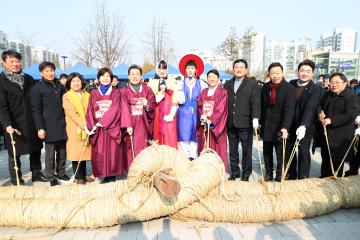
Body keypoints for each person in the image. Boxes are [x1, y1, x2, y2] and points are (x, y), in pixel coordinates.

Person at [0, 50, 46, 185]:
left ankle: (36, 174)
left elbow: (36, 100)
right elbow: (1, 107)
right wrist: (6, 124)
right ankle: (16, 179)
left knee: (36, 149)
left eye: (18, 61)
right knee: (14, 153)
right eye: (11, 61)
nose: (15, 64)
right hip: (13, 123)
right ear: (4, 63)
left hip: (31, 120)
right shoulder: (1, 81)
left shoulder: (28, 78)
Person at [86, 67, 131, 184]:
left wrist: (102, 122)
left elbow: (116, 109)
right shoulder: (94, 93)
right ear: (99, 78)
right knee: (99, 152)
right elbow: (89, 111)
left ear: (111, 79)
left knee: (113, 152)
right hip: (98, 129)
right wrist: (92, 126)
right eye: (103, 76)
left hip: (112, 127)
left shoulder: (116, 93)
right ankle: (101, 173)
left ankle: (111, 174)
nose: (105, 79)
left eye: (108, 77)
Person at [30, 61, 68, 186]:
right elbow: (36, 110)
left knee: (62, 151)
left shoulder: (60, 86)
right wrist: (40, 128)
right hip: (48, 125)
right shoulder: (37, 88)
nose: (50, 73)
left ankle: (61, 173)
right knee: (50, 153)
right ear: (41, 73)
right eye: (47, 71)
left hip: (62, 124)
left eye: (51, 70)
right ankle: (51, 176)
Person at [224, 59, 261, 181]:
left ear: (246, 70)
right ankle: (235, 172)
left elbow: (256, 102)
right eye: (236, 67)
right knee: (233, 150)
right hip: (231, 122)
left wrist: (256, 118)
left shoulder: (252, 83)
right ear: (233, 69)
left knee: (246, 151)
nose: (239, 69)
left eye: (241, 67)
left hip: (245, 122)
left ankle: (246, 172)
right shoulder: (228, 83)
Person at [317, 73, 358, 178]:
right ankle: (324, 181)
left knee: (336, 163)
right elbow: (318, 105)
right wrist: (320, 113)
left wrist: (332, 120)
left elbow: (351, 114)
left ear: (345, 83)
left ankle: (335, 185)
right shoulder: (327, 94)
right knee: (326, 160)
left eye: (337, 82)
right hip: (326, 134)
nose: (334, 85)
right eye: (332, 82)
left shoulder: (351, 97)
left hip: (340, 135)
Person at [286, 60, 322, 180]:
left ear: (312, 73)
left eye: (308, 71)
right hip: (290, 124)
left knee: (303, 151)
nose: (304, 73)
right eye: (302, 70)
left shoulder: (315, 89)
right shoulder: (291, 84)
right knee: (289, 150)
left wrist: (304, 125)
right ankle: (291, 174)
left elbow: (310, 108)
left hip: (305, 126)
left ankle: (303, 177)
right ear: (298, 71)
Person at [260, 62, 295, 182]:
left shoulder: (289, 88)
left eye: (278, 73)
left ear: (282, 73)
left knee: (281, 154)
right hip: (266, 125)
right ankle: (269, 173)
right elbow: (263, 106)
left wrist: (285, 127)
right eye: (273, 73)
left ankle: (281, 174)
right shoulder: (265, 87)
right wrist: (259, 121)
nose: (275, 76)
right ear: (269, 74)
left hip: (280, 126)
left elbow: (289, 110)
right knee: (267, 153)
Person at [121, 65, 155, 170]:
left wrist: (147, 105)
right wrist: (127, 125)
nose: (135, 76)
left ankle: (144, 169)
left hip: (144, 124)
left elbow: (153, 106)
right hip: (130, 124)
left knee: (143, 146)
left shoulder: (147, 90)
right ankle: (132, 170)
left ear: (141, 76)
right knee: (130, 148)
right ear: (128, 76)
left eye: (137, 74)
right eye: (132, 74)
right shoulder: (123, 91)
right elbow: (123, 109)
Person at [62, 72, 94, 184]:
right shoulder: (66, 96)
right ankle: (78, 178)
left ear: (82, 82)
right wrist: (85, 125)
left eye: (78, 81)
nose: (76, 83)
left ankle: (84, 176)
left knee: (84, 152)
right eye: (73, 81)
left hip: (87, 128)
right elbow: (73, 113)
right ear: (69, 83)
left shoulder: (87, 94)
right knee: (76, 154)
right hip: (75, 129)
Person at [197, 70, 228, 169]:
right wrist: (202, 116)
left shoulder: (223, 92)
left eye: (214, 77)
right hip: (204, 124)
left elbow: (221, 109)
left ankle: (218, 170)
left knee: (217, 147)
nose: (212, 79)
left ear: (218, 79)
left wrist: (212, 120)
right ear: (207, 79)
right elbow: (199, 105)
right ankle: (204, 169)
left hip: (216, 125)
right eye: (209, 77)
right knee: (204, 145)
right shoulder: (204, 92)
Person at [177, 54, 205, 160]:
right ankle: (183, 159)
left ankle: (193, 157)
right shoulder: (180, 83)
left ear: (196, 70)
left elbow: (203, 99)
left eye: (192, 68)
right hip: (183, 113)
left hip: (196, 113)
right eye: (188, 68)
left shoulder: (201, 83)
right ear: (185, 70)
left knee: (194, 136)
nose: (190, 70)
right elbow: (179, 100)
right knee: (183, 136)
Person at [147, 60, 179, 148]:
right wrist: (157, 98)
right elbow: (149, 100)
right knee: (157, 137)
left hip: (168, 114)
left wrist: (172, 114)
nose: (162, 71)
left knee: (170, 138)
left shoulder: (172, 82)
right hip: (156, 114)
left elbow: (175, 99)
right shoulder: (151, 83)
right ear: (156, 70)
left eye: (164, 69)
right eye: (160, 68)